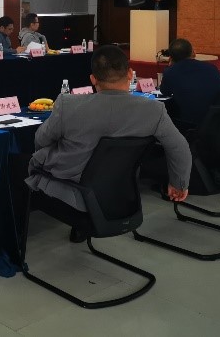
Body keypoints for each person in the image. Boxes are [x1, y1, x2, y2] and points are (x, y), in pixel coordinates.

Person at [27, 45, 190, 227]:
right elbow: (179, 147)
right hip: (122, 195)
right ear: (130, 74)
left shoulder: (68, 105)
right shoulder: (154, 110)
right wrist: (179, 184)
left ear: (93, 79)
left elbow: (41, 140)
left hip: (73, 195)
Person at [159, 38, 220, 129]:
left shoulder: (170, 72)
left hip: (188, 125)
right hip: (216, 124)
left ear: (170, 57)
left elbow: (164, 91)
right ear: (193, 53)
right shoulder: (211, 68)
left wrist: (170, 67)